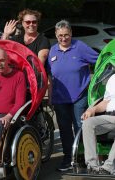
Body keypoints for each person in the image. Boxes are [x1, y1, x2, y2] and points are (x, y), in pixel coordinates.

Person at [47, 20, 98, 171]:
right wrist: (49, 96)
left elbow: (100, 60)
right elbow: (50, 76)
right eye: (60, 35)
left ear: (71, 34)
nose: (64, 38)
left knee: (80, 127)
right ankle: (68, 157)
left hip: (79, 96)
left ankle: (81, 157)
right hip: (60, 97)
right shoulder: (52, 51)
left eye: (66, 35)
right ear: (56, 35)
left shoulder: (80, 47)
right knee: (64, 129)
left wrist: (95, 82)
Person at [81, 74, 115, 175]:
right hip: (110, 116)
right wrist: (93, 109)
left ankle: (108, 167)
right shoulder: (113, 78)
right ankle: (92, 166)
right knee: (88, 123)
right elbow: (106, 102)